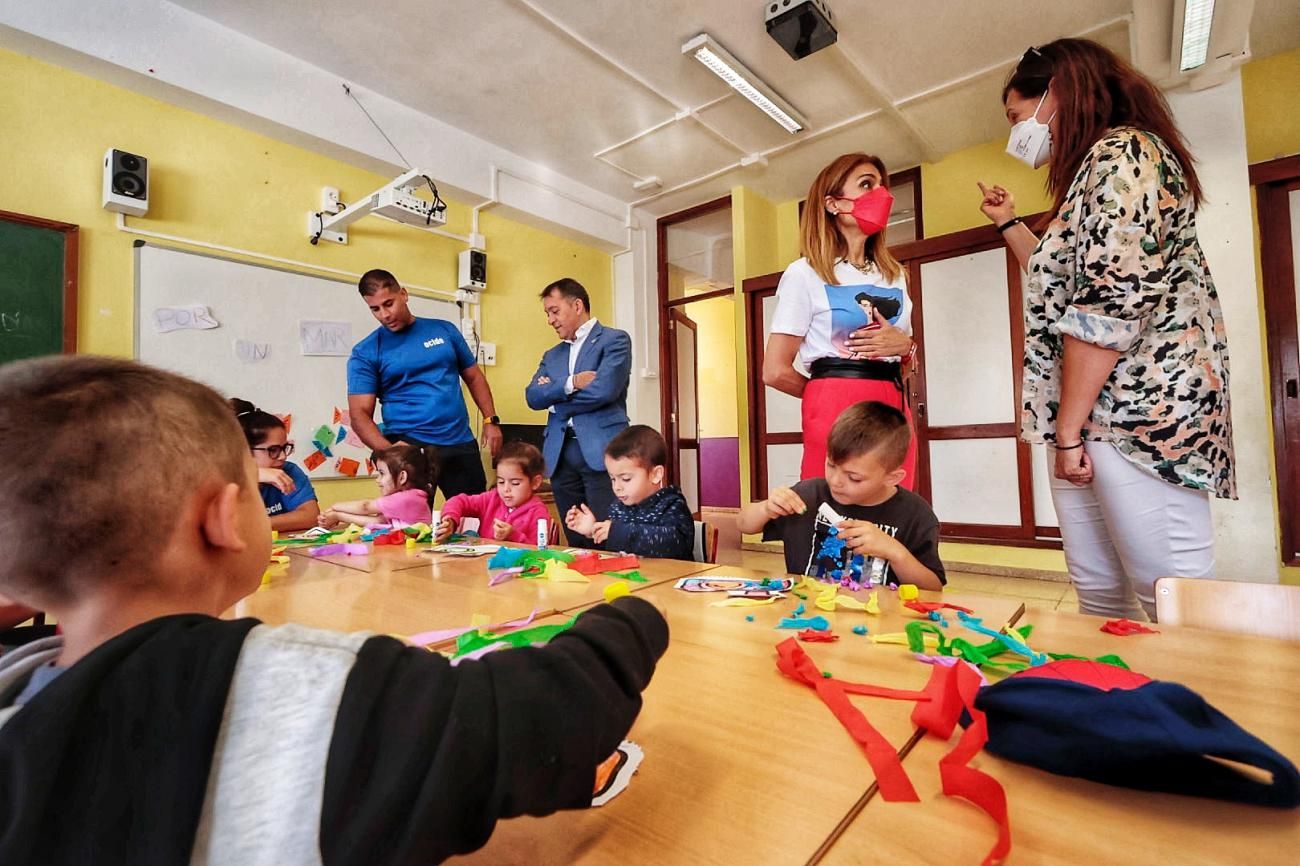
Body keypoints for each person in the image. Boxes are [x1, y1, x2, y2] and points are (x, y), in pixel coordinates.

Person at [0, 354, 668, 864]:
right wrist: (634, 619)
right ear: (222, 518)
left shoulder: (16, 706)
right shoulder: (319, 691)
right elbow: (553, 720)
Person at [976, 38, 1234, 620]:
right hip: (1088, 413)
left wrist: (1069, 428)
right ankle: (1108, 705)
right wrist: (1009, 223)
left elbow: (1111, 298)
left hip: (1134, 416)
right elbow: (1061, 280)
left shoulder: (1126, 154)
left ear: (1057, 96)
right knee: (1099, 594)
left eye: (1017, 117)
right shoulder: (1092, 174)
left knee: (1173, 601)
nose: (1018, 135)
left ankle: (1191, 710)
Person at [763, 153, 920, 489]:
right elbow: (774, 370)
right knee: (833, 508)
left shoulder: (895, 276)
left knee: (892, 503)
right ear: (833, 204)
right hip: (834, 402)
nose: (880, 194)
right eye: (866, 184)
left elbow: (905, 362)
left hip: (892, 401)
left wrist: (907, 348)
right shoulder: (804, 274)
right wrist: (825, 394)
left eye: (881, 186)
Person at [737, 401, 944, 591]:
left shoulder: (915, 514)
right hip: (807, 615)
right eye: (831, 465)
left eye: (854, 477)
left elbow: (933, 589)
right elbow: (744, 525)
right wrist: (766, 508)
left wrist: (895, 552)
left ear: (892, 478)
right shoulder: (809, 495)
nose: (836, 481)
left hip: (879, 622)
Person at [347, 268, 503, 501]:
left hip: (459, 442)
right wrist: (390, 452)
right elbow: (359, 414)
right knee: (410, 525)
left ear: (404, 294)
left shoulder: (444, 330)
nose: (384, 315)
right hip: (409, 447)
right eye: (375, 309)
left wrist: (491, 420)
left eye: (389, 304)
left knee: (473, 521)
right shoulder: (366, 351)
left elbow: (474, 376)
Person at [525, 278, 632, 548]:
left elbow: (604, 391)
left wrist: (555, 400)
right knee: (575, 539)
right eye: (547, 313)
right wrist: (571, 383)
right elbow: (532, 396)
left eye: (554, 311)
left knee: (603, 534)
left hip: (601, 452)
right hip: (560, 456)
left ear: (577, 305)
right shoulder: (552, 355)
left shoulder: (614, 340)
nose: (550, 320)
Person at [567, 425, 694, 561]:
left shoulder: (672, 505)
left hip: (669, 579)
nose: (617, 487)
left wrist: (617, 532)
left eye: (626, 479)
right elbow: (613, 549)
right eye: (613, 479)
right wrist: (592, 531)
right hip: (632, 579)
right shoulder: (618, 508)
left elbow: (674, 544)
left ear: (656, 474)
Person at [230, 397, 320, 532]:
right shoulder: (222, 478)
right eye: (273, 450)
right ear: (245, 450)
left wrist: (255, 525)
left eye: (285, 447)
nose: (283, 456)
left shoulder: (289, 471)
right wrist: (252, 475)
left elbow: (311, 516)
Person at [436, 441, 551, 543]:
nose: (506, 489)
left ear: (535, 482)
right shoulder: (492, 498)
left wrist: (513, 535)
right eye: (501, 482)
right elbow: (459, 501)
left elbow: (539, 551)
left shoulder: (538, 512)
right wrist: (450, 520)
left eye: (515, 483)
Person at [318, 442, 436, 528]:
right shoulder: (406, 497)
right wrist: (337, 516)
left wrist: (334, 507)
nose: (377, 480)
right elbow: (378, 521)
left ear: (402, 477)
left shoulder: (407, 498)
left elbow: (365, 506)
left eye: (382, 473)